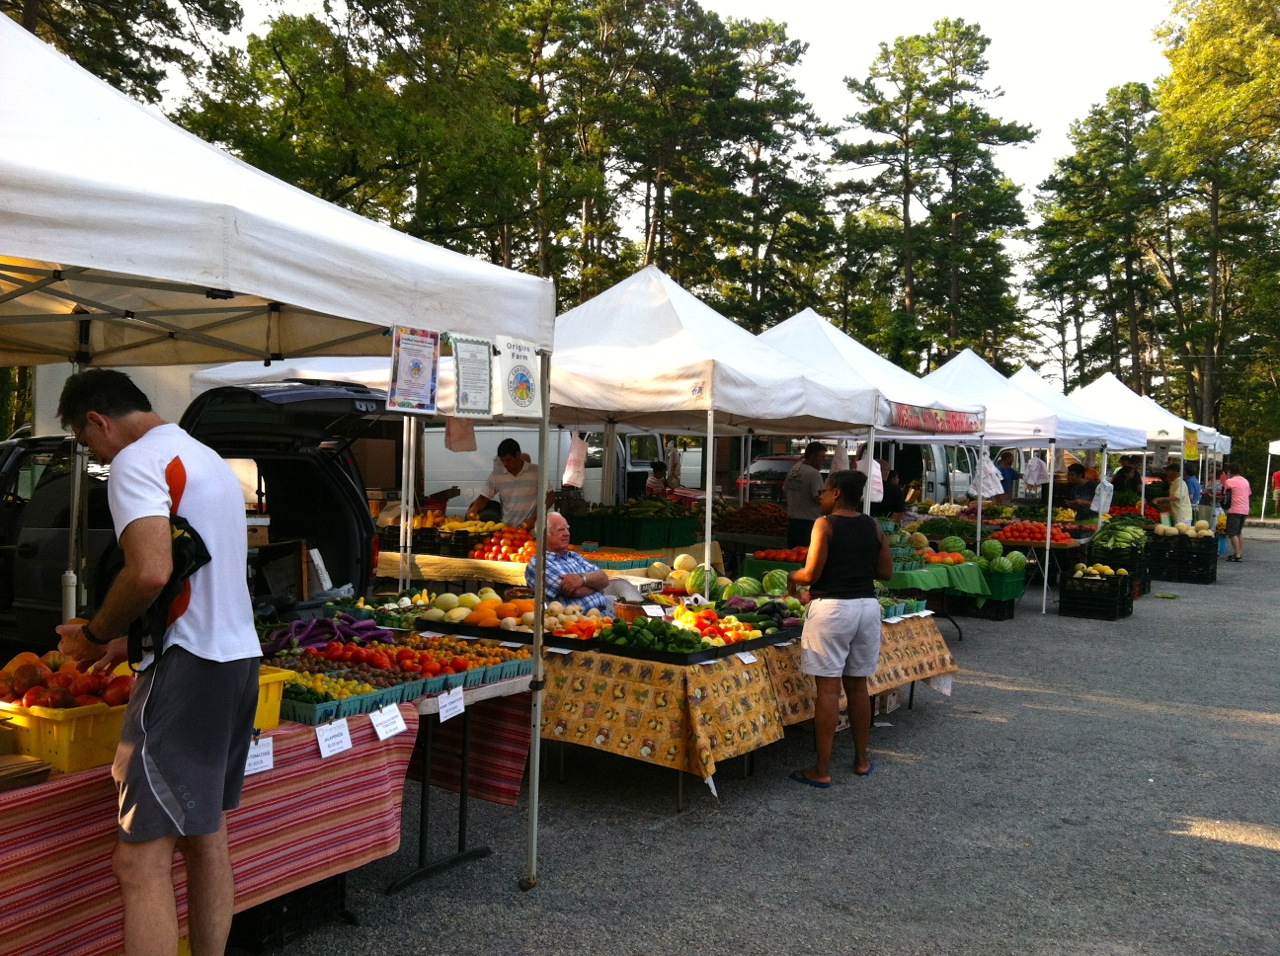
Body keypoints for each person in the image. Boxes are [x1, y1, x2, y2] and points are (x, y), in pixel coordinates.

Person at [54, 369, 260, 956]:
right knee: (205, 835)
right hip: (236, 660)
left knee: (136, 862)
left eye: (85, 441)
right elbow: (204, 571)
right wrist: (131, 642)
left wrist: (98, 633)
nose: (93, 455)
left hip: (188, 671)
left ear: (98, 420)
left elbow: (150, 570)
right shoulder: (206, 458)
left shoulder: (136, 462)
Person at [785, 468, 893, 788]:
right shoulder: (874, 525)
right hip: (867, 608)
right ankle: (861, 760)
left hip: (833, 609)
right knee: (859, 687)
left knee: (829, 689)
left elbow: (811, 574)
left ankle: (822, 769)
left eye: (824, 490)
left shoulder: (825, 524)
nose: (819, 496)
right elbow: (886, 572)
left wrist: (793, 577)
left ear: (836, 494)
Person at [526, 512, 610, 611]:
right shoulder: (539, 563)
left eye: (567, 529)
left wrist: (582, 579)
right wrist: (596, 586)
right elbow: (576, 591)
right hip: (577, 622)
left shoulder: (573, 556)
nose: (567, 533)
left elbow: (604, 579)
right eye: (561, 530)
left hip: (604, 615)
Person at [465, 438, 545, 529]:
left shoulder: (536, 471)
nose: (505, 464)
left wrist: (534, 518)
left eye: (508, 460)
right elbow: (484, 498)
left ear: (518, 455)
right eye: (503, 461)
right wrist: (475, 508)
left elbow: (549, 497)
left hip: (532, 530)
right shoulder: (497, 475)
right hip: (508, 530)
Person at [785, 441, 826, 548]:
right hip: (808, 525)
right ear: (812, 456)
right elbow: (818, 499)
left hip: (793, 524)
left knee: (793, 558)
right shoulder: (814, 474)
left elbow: (785, 490)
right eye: (821, 457)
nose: (823, 461)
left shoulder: (795, 468)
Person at [1222, 463, 1251, 562]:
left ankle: (1237, 555)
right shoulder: (1245, 481)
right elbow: (1248, 493)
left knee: (1232, 533)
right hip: (1245, 509)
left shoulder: (1229, 481)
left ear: (1230, 471)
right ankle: (1239, 552)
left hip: (1234, 509)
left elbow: (1226, 495)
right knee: (1239, 532)